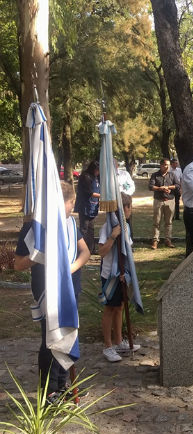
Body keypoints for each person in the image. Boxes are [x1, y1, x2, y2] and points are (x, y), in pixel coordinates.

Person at [14, 182, 91, 402]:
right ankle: (48, 390)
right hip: (47, 289)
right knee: (51, 340)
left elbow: (85, 252)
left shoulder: (68, 223)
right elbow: (18, 264)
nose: (72, 208)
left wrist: (69, 269)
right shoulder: (35, 227)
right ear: (58, 202)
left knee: (66, 334)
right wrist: (40, 256)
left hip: (69, 287)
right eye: (70, 203)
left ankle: (62, 383)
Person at [98, 193, 140, 362]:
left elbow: (127, 251)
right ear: (125, 208)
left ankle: (118, 341)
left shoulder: (126, 227)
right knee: (110, 309)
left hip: (123, 274)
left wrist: (127, 273)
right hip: (110, 275)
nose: (131, 211)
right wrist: (113, 236)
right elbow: (101, 252)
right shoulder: (107, 228)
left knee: (120, 307)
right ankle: (108, 346)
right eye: (130, 207)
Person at [149, 158, 178, 249]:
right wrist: (160, 188)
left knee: (169, 222)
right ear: (161, 165)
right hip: (158, 201)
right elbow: (150, 186)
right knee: (156, 222)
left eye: (169, 165)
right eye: (165, 164)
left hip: (170, 201)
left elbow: (177, 185)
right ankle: (155, 241)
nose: (167, 166)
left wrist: (169, 187)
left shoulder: (172, 175)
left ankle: (168, 240)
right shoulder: (155, 175)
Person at [75, 160, 100, 254]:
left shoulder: (95, 177)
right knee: (84, 228)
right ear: (94, 169)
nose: (98, 173)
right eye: (98, 170)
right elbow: (89, 192)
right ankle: (83, 249)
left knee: (91, 228)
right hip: (84, 206)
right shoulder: (85, 177)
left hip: (93, 206)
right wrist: (102, 196)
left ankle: (91, 249)